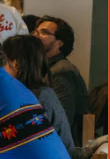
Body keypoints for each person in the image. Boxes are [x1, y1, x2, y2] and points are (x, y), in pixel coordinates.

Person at [2, 35, 78, 159]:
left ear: (15, 63)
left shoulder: (36, 99)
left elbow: (24, 152)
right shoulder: (38, 93)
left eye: (3, 63)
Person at [32, 16, 89, 145]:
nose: (36, 36)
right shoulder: (42, 69)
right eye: (36, 31)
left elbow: (62, 120)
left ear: (59, 43)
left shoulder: (63, 71)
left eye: (44, 32)